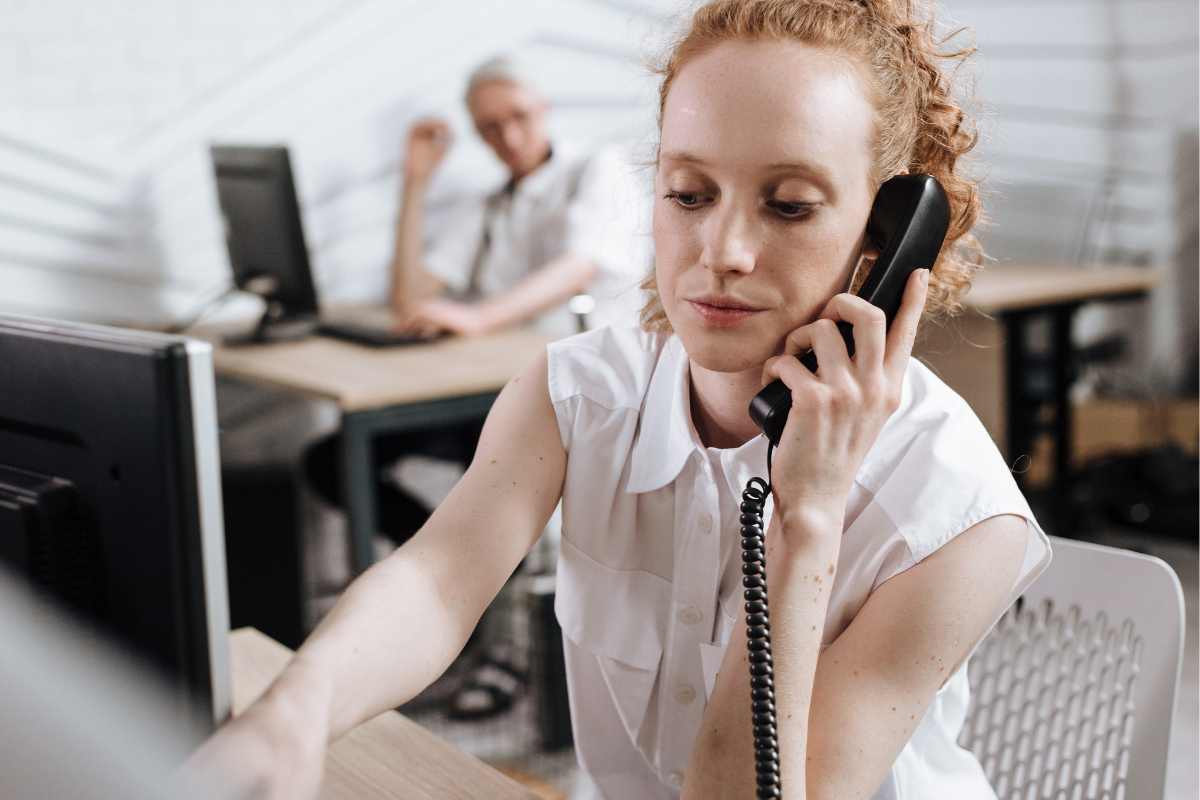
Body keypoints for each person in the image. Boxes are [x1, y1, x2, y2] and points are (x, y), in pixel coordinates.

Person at [187, 1, 1051, 797]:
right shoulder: (578, 393)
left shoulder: (957, 518)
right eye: (688, 193)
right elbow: (440, 581)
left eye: (789, 206)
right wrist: (292, 714)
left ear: (886, 240)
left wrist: (806, 523)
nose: (722, 250)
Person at [304, 54, 645, 718]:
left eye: (517, 117)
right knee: (331, 462)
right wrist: (415, 184)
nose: (508, 136)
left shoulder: (596, 171)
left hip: (575, 395)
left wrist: (480, 315)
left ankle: (491, 621)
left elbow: (578, 267)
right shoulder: (490, 203)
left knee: (494, 475)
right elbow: (410, 294)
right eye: (489, 128)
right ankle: (468, 592)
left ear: (543, 106)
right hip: (492, 392)